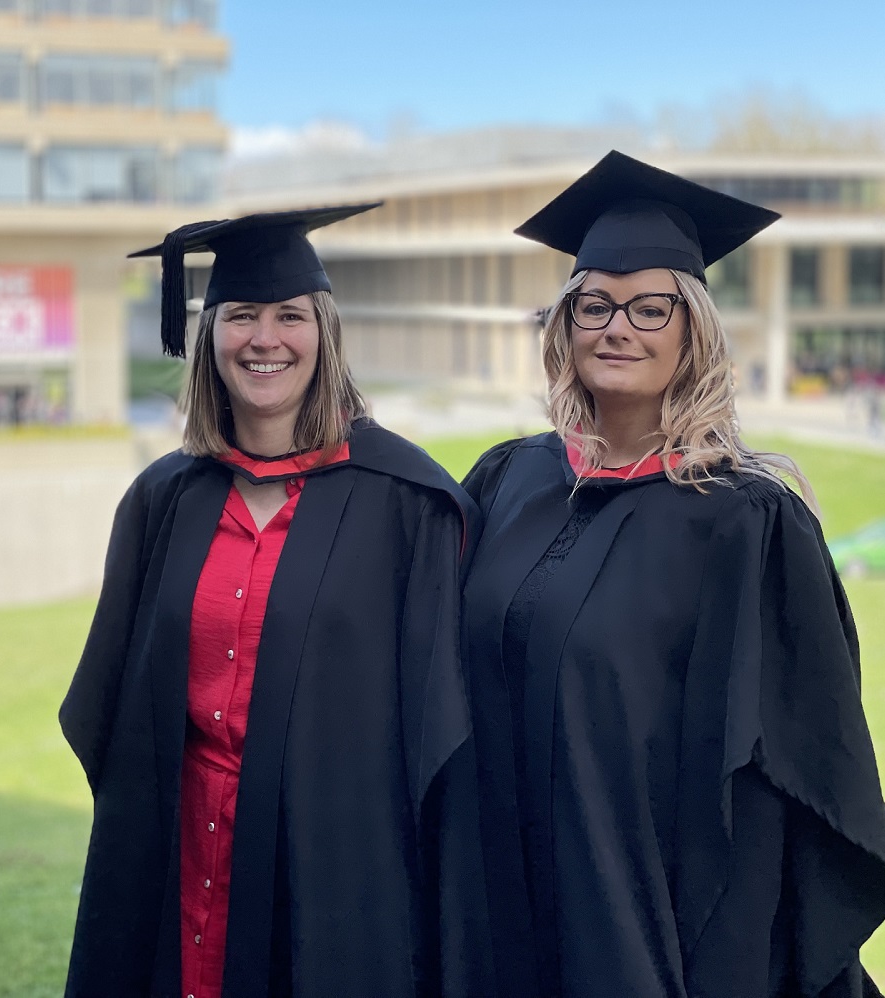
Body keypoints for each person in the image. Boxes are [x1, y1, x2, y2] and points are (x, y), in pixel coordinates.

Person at [461, 151, 885, 998]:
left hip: (644, 924)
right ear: (564, 323)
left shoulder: (746, 522)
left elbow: (788, 773)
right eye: (594, 305)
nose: (617, 327)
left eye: (650, 308)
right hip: (490, 905)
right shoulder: (507, 480)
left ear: (692, 328)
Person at [59, 203, 492, 998]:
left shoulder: (408, 504)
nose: (265, 339)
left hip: (329, 882)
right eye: (241, 316)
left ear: (324, 332)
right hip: (178, 858)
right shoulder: (163, 500)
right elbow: (108, 706)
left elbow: (438, 734)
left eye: (290, 315)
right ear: (209, 335)